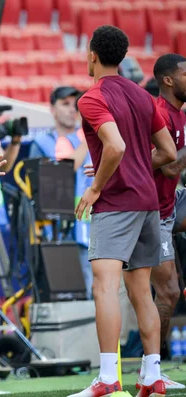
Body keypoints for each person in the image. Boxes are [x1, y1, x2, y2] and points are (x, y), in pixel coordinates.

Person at [70, 26, 176, 397]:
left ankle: (108, 378)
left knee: (104, 288)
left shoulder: (92, 97)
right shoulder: (143, 95)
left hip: (116, 205)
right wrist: (134, 168)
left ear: (92, 55)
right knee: (141, 293)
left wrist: (97, 186)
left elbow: (113, 145)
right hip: (149, 203)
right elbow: (167, 153)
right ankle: (151, 376)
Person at [135, 53, 186, 391]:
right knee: (167, 291)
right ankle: (151, 369)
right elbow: (168, 166)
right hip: (150, 211)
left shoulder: (180, 115)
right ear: (168, 79)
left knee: (168, 292)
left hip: (169, 204)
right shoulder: (160, 113)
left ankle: (151, 369)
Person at [29, 85, 94, 299]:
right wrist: (87, 142)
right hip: (56, 232)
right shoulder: (42, 143)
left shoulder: (94, 139)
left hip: (91, 225)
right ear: (52, 109)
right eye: (64, 104)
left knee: (95, 290)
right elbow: (56, 176)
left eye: (74, 104)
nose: (71, 109)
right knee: (65, 294)